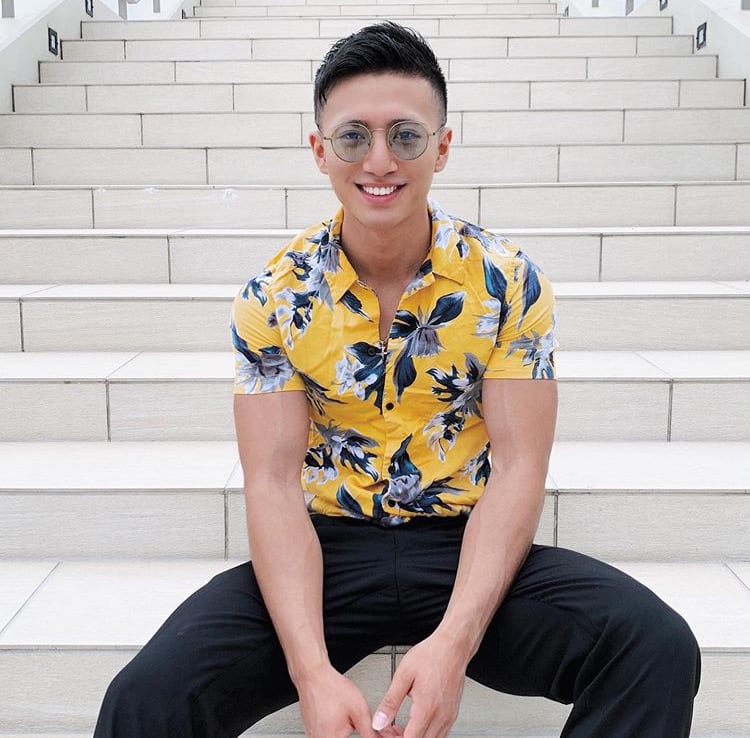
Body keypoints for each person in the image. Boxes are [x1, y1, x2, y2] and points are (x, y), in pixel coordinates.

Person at [94, 21, 701, 738]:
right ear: (319, 148)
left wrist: (454, 643)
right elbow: (272, 484)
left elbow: (519, 468)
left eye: (405, 135)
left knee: (655, 647)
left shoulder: (507, 281)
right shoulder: (273, 296)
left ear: (442, 147)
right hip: (328, 550)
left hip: (462, 543)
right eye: (354, 136)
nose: (379, 160)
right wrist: (311, 673)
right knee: (146, 700)